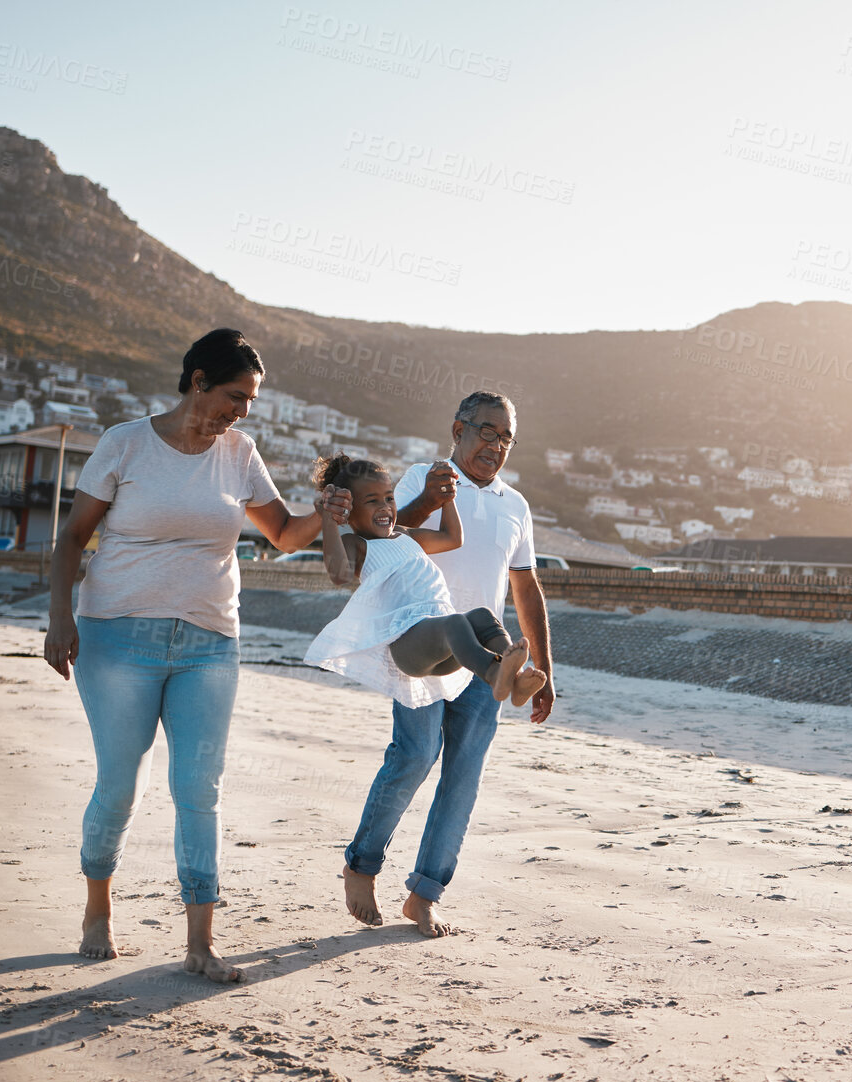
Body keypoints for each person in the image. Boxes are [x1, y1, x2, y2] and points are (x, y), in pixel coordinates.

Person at [43, 328, 347, 982]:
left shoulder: (240, 453)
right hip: (116, 635)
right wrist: (60, 617)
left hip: (210, 640)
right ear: (199, 380)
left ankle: (200, 941)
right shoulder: (125, 442)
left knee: (198, 788)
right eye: (235, 396)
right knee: (121, 785)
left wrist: (324, 512)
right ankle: (98, 904)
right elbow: (72, 537)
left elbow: (283, 535)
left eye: (251, 402)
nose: (242, 411)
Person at [341, 390, 555, 937]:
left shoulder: (515, 505)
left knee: (463, 776)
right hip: (423, 641)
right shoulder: (419, 478)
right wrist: (429, 501)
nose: (496, 445)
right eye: (487, 431)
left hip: (488, 657)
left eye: (506, 437)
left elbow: (525, 585)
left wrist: (546, 667)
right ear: (458, 428)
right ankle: (362, 864)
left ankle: (424, 893)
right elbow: (383, 535)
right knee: (414, 756)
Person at [301, 453, 546, 707]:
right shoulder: (357, 544)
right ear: (349, 512)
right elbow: (338, 574)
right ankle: (494, 674)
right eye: (372, 501)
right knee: (456, 623)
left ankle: (515, 681)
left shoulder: (404, 534)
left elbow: (452, 538)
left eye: (389, 498)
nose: (385, 507)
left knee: (483, 617)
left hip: (445, 642)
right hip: (409, 643)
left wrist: (447, 498)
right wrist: (329, 518)